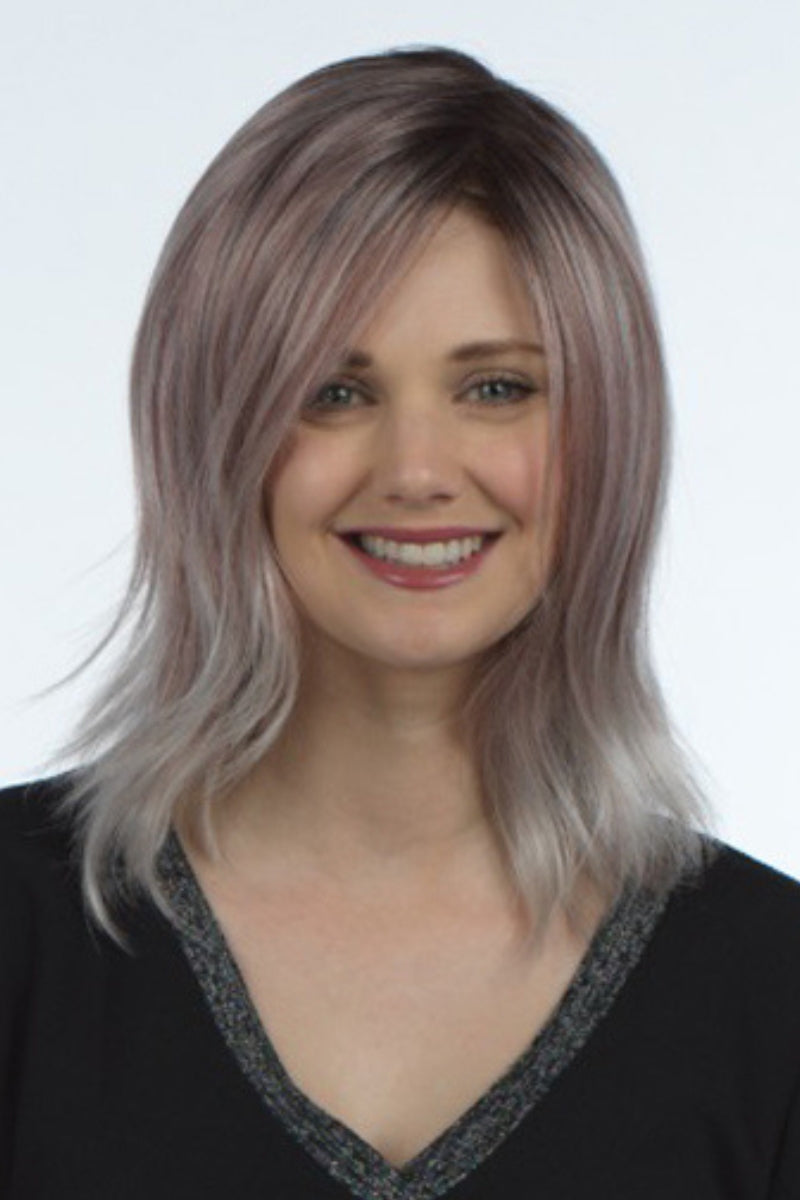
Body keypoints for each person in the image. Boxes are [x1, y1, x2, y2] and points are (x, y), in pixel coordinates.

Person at [1, 45, 798, 1200]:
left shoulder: (770, 989)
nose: (417, 470)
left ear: (608, 428)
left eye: (495, 388)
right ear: (212, 427)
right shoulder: (21, 933)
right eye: (333, 392)